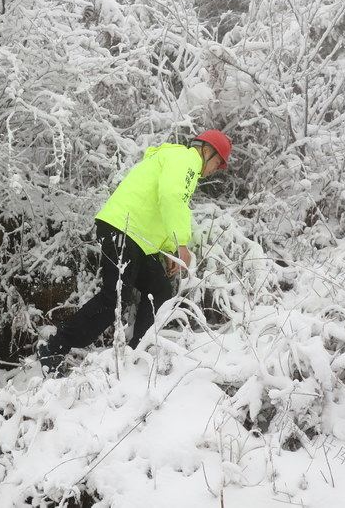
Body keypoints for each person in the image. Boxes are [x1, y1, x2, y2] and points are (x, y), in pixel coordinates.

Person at [39, 130, 232, 376]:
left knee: (160, 289)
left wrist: (168, 249)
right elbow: (172, 198)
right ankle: (54, 348)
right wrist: (181, 245)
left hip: (136, 236)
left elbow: (159, 206)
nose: (216, 169)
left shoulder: (180, 164)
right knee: (113, 300)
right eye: (218, 162)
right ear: (207, 150)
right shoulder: (186, 159)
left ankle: (135, 352)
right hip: (123, 229)